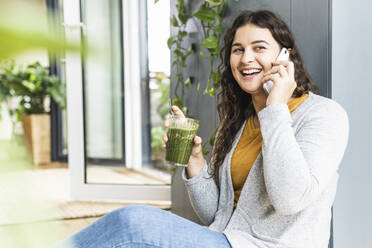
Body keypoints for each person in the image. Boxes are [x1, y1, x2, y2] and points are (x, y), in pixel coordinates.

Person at [53, 10, 349, 248]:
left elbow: (290, 199)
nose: (246, 59)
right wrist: (196, 163)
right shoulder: (240, 122)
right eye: (238, 49)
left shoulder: (323, 115)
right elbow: (218, 217)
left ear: (285, 57)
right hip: (226, 239)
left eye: (259, 48)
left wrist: (275, 108)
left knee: (133, 222)